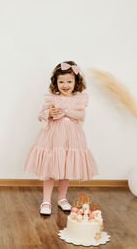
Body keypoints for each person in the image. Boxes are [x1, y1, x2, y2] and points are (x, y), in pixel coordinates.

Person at [24, 61, 98, 215]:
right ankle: (46, 201)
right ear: (55, 83)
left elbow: (81, 115)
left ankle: (62, 199)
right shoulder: (52, 99)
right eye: (61, 82)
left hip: (71, 139)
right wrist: (49, 114)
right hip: (53, 139)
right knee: (51, 168)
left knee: (65, 168)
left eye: (69, 81)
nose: (65, 85)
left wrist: (65, 111)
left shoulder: (79, 99)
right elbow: (40, 115)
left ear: (76, 82)